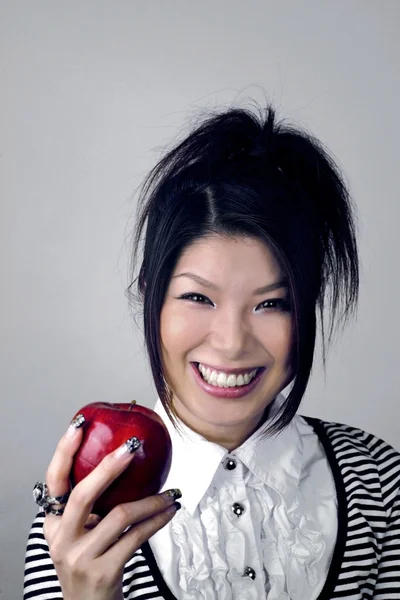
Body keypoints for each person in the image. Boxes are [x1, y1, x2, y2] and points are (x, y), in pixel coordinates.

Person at [24, 102, 400, 600]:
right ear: (150, 295)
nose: (231, 342)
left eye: (272, 303)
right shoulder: (76, 525)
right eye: (198, 297)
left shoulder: (379, 481)